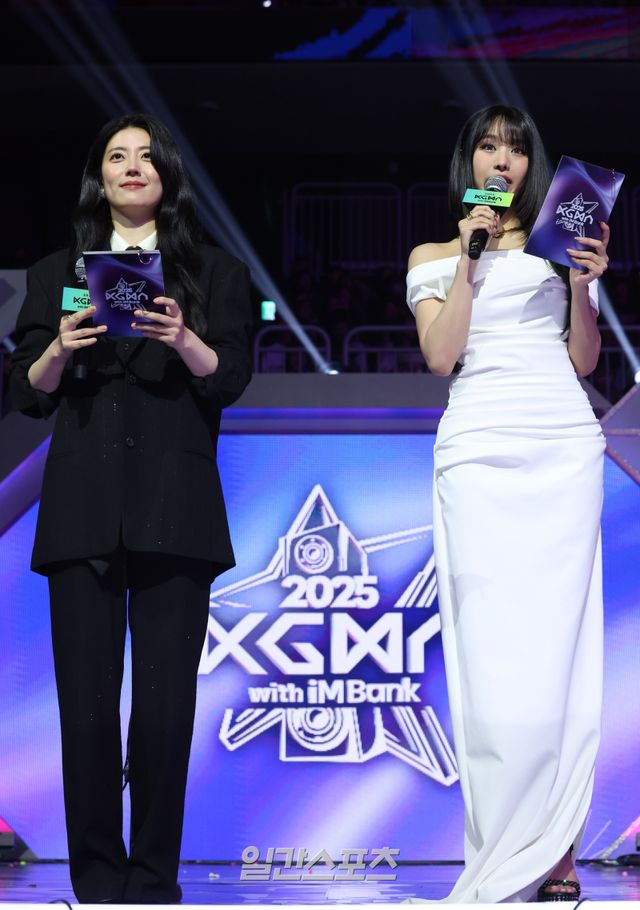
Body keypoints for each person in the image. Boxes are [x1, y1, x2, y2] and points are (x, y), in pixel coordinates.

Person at [11, 113, 252, 903]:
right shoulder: (56, 273)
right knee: (84, 714)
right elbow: (26, 391)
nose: (132, 166)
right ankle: (97, 884)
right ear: (100, 177)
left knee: (162, 714)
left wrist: (182, 337)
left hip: (175, 511)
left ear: (167, 174)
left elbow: (230, 376)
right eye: (117, 156)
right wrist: (59, 347)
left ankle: (152, 883)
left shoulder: (213, 272)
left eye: (147, 155)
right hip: (82, 511)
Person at [406, 105, 608, 903]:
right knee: (492, 659)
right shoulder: (433, 255)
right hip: (478, 450)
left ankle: (556, 849)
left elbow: (585, 361)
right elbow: (440, 355)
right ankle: (501, 843)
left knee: (558, 651)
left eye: (517, 150)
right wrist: (469, 259)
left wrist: (584, 290)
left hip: (560, 443)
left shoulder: (560, 248)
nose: (503, 160)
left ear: (533, 166)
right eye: (489, 146)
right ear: (469, 159)